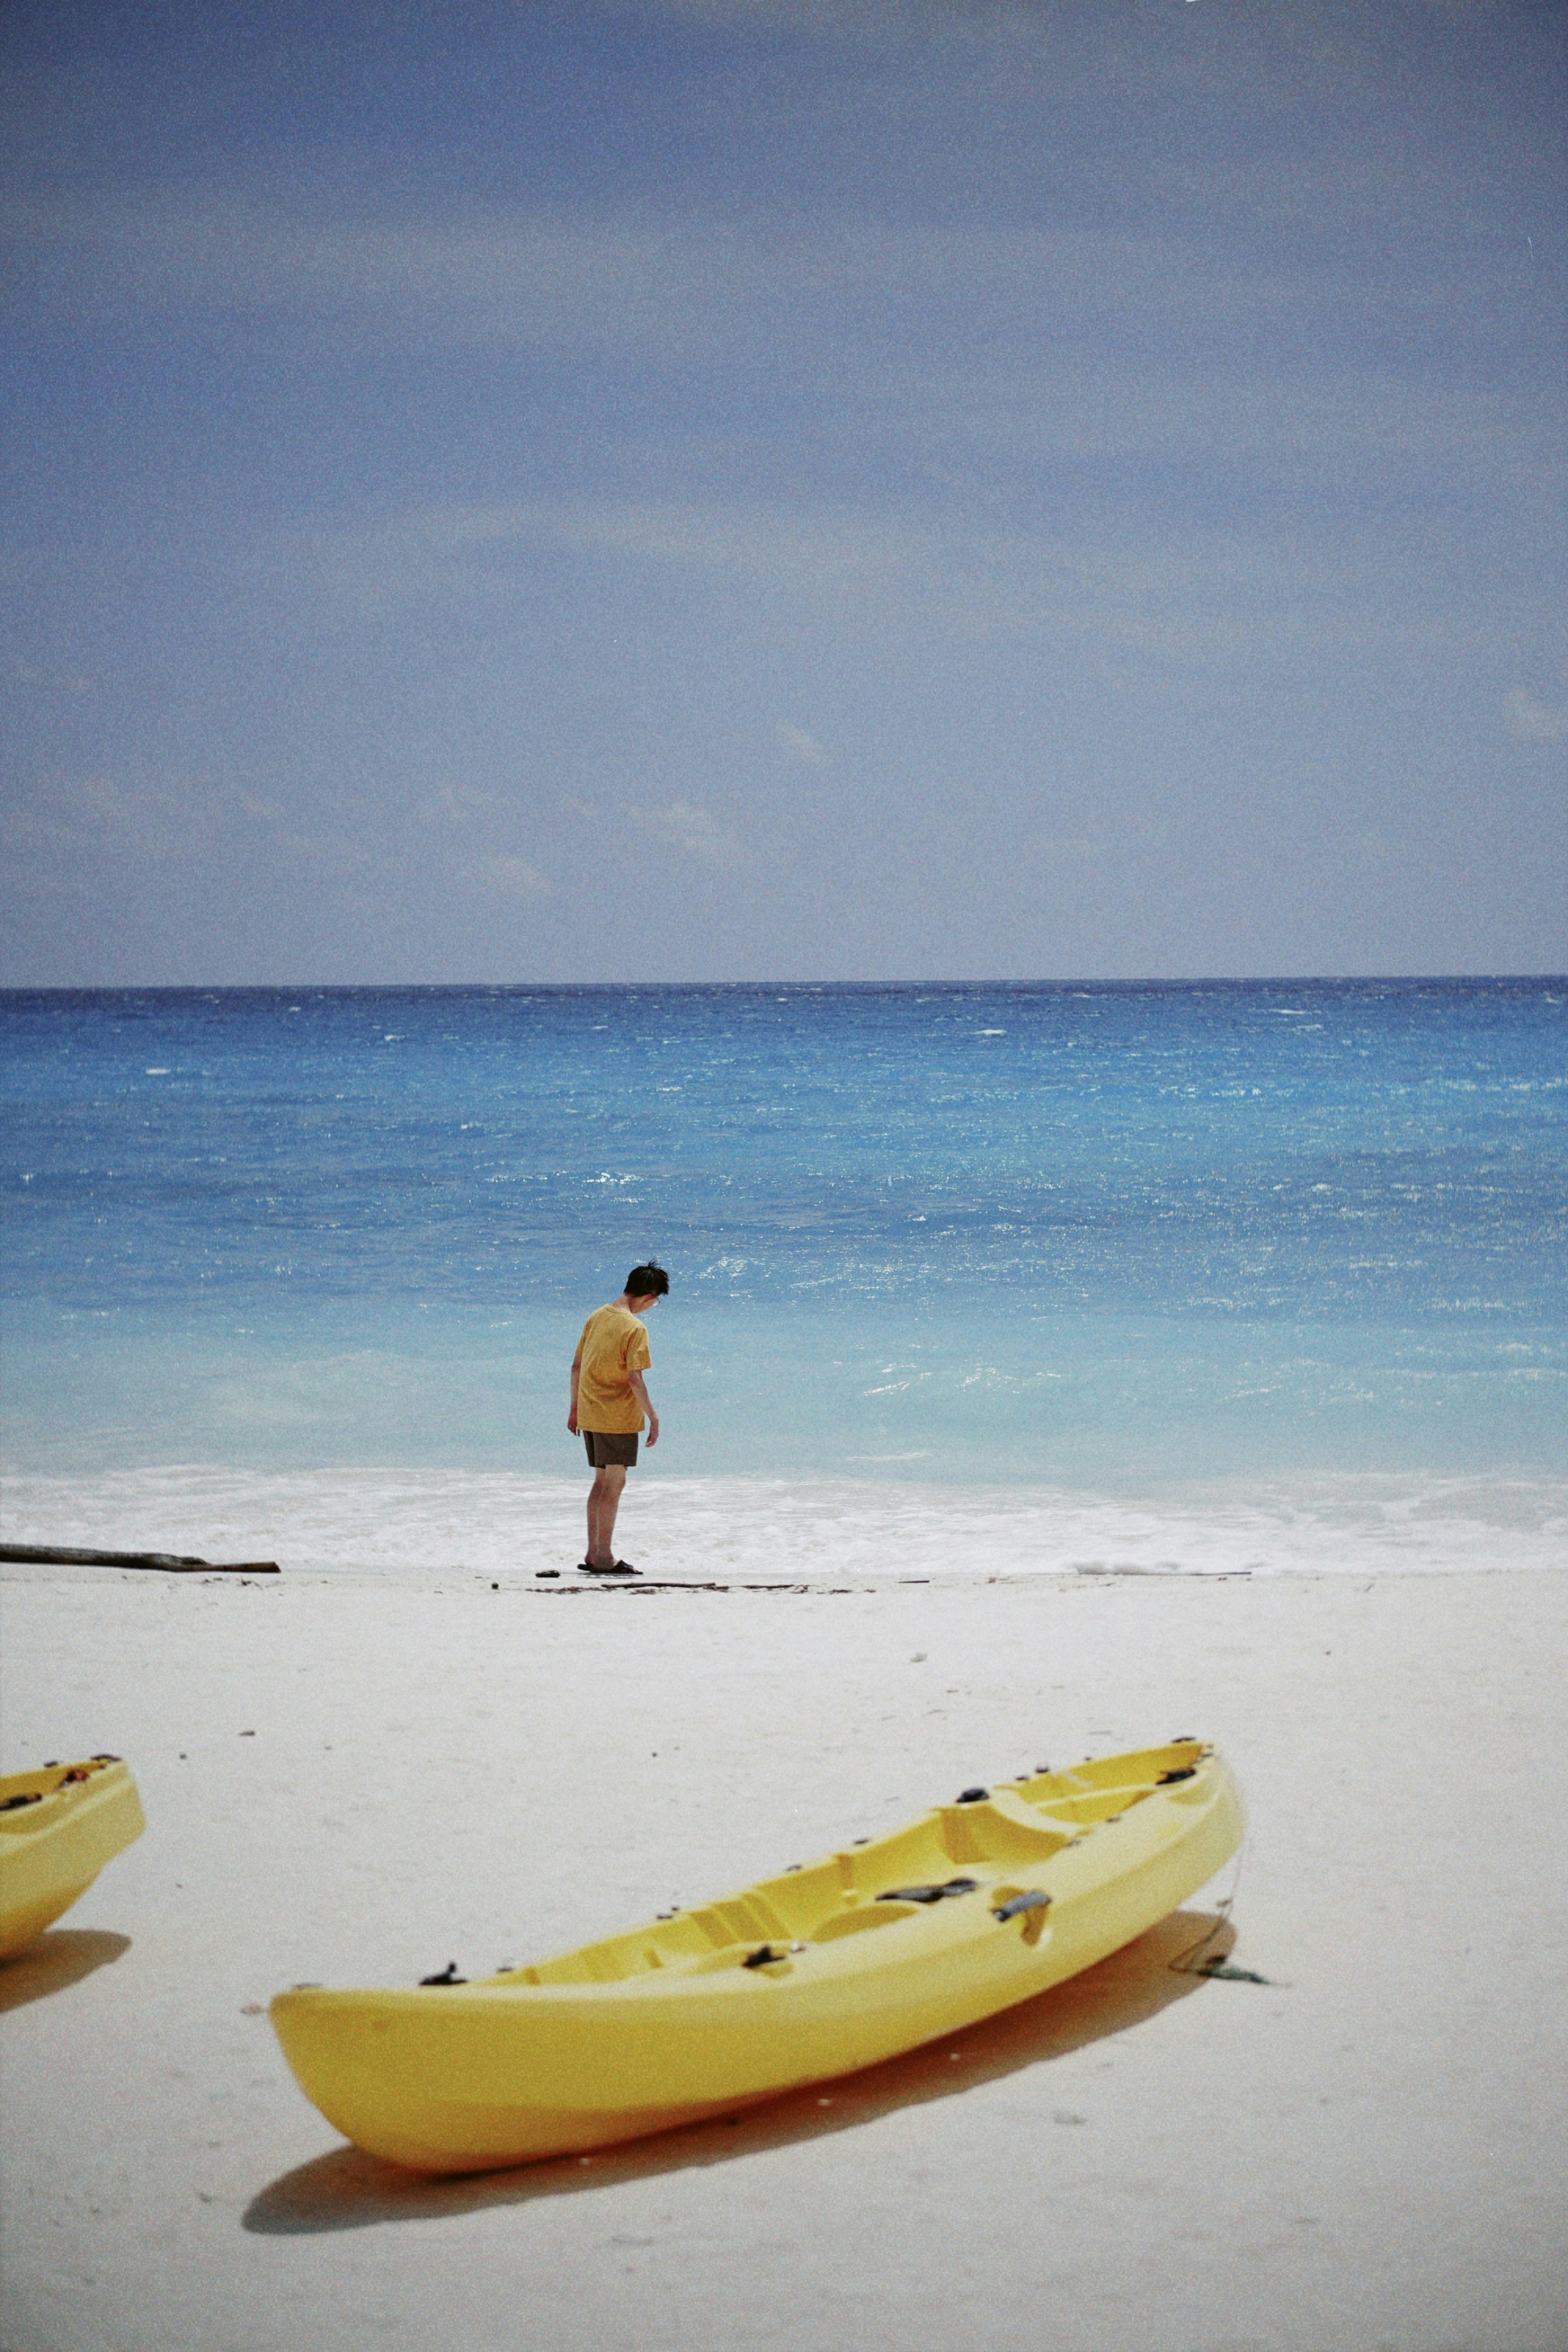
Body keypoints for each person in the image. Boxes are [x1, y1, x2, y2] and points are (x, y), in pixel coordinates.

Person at [568, 1264, 668, 1576]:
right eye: (656, 1301)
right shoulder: (634, 1328)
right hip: (616, 1417)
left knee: (601, 1483)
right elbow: (635, 1379)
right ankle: (605, 1557)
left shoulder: (596, 1316)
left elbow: (576, 1366)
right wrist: (652, 1415)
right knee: (615, 1483)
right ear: (649, 1297)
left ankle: (593, 1552)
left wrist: (574, 1409)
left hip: (589, 1411)